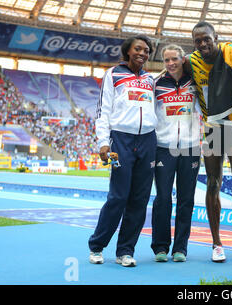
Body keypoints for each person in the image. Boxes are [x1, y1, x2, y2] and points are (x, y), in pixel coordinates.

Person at [184, 21, 232, 262]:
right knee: (213, 183)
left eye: (206, 39)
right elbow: (170, 74)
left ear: (216, 37)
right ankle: (216, 243)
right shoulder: (190, 61)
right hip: (212, 128)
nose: (203, 44)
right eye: (198, 40)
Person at [88, 35, 157, 267]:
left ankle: (125, 251)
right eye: (138, 49)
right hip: (121, 141)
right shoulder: (113, 74)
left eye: (147, 50)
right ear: (128, 51)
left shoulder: (150, 79)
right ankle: (97, 246)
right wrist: (103, 143)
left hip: (148, 141)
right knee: (118, 197)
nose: (143, 53)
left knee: (139, 200)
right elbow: (103, 110)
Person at [151, 44, 201, 263]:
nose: (170, 63)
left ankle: (181, 247)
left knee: (186, 199)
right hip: (164, 147)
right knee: (162, 198)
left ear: (183, 59)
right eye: (166, 60)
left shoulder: (195, 83)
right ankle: (161, 246)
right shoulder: (156, 84)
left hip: (191, 147)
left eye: (174, 59)